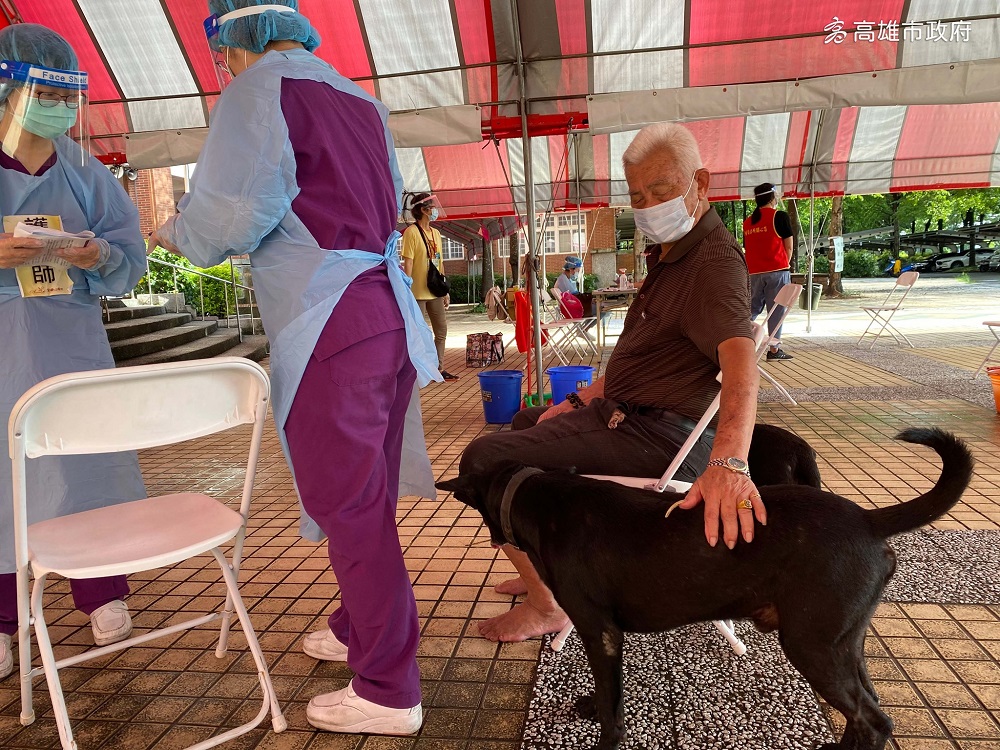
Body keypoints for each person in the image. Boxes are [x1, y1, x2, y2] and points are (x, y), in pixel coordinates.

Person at [145, 0, 439, 734]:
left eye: (219, 54)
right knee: (364, 498)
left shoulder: (255, 90)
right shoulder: (358, 98)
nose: (222, 68)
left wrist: (175, 231)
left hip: (329, 320)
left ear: (229, 40)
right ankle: (358, 627)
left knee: (351, 505)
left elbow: (231, 217)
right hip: (384, 314)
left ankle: (389, 687)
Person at [458, 122, 763, 643]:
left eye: (662, 192)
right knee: (529, 419)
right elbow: (642, 359)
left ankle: (548, 604)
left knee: (485, 459)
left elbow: (741, 367)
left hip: (659, 437)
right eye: (638, 195)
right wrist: (578, 397)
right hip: (627, 413)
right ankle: (551, 567)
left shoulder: (710, 263)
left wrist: (730, 464)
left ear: (701, 183)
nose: (648, 206)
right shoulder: (673, 250)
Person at [0, 24, 147, 680]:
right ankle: (4, 619)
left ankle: (102, 592)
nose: (56, 105)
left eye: (66, 93)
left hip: (72, 341)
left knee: (85, 465)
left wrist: (99, 254)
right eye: (44, 90)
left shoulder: (84, 169)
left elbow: (129, 256)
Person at [400, 192, 458, 381]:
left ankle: (438, 368)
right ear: (424, 210)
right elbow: (407, 262)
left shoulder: (436, 233)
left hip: (435, 291)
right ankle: (420, 369)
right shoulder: (411, 233)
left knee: (441, 330)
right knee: (419, 332)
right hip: (417, 292)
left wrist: (445, 289)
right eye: (432, 207)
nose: (434, 211)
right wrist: (406, 288)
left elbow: (439, 262)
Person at [743, 182, 794, 361]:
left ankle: (740, 343)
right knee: (776, 311)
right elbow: (788, 247)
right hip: (777, 270)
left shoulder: (748, 222)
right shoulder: (779, 216)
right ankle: (774, 350)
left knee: (750, 310)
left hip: (753, 273)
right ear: (773, 198)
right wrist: (783, 265)